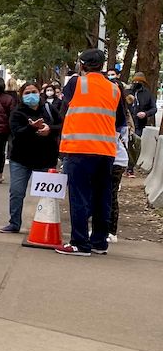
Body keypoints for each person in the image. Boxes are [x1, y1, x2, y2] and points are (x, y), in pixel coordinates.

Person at [56, 49, 127, 256]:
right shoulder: (114, 89)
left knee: (79, 196)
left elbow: (64, 110)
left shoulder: (76, 83)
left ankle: (79, 243)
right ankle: (99, 242)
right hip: (106, 150)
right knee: (101, 197)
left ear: (83, 65)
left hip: (79, 148)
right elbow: (120, 121)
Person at [1, 82, 62, 233]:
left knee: (47, 195)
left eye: (33, 91)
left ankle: (46, 225)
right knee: (17, 192)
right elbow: (16, 132)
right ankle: (14, 223)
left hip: (46, 159)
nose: (30, 95)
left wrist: (50, 129)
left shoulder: (48, 108)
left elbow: (63, 125)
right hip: (20, 159)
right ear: (21, 96)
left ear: (39, 92)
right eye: (26, 93)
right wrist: (31, 128)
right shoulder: (16, 112)